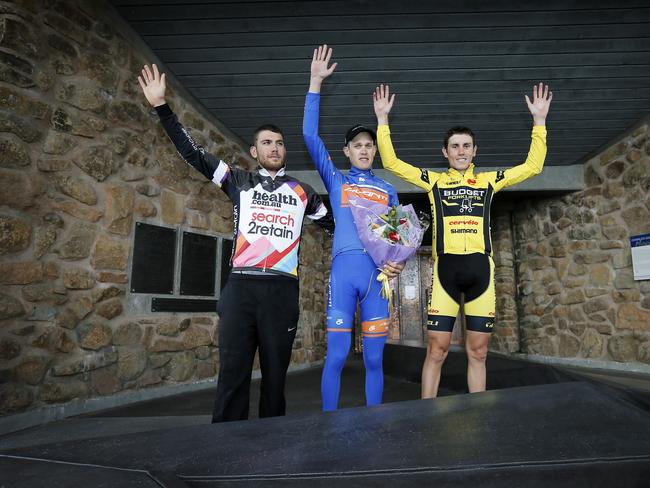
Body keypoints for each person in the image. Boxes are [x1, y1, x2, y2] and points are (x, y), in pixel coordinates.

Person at [138, 63, 333, 422]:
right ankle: (226, 449)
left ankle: (273, 449)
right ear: (254, 152)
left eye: (279, 143)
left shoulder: (304, 192)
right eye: (266, 143)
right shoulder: (237, 180)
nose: (275, 148)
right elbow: (193, 153)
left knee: (276, 380)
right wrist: (162, 107)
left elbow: (336, 227)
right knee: (232, 375)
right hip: (241, 287)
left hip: (282, 291)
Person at [373, 82, 553, 398]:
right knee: (437, 349)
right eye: (455, 146)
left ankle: (479, 412)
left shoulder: (488, 182)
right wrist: (382, 121)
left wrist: (539, 122)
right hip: (446, 274)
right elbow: (392, 164)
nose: (461, 151)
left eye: (466, 146)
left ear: (474, 151)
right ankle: (426, 410)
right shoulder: (435, 182)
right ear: (445, 152)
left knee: (479, 351)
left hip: (481, 271)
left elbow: (533, 166)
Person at [303, 45, 405, 411]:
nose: (364, 150)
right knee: (336, 357)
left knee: (375, 360)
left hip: (376, 279)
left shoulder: (388, 190)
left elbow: (396, 241)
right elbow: (310, 137)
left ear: (374, 151)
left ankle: (374, 423)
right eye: (357, 146)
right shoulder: (336, 179)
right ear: (346, 151)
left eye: (369, 146)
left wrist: (398, 264)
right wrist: (315, 83)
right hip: (344, 274)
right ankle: (328, 424)